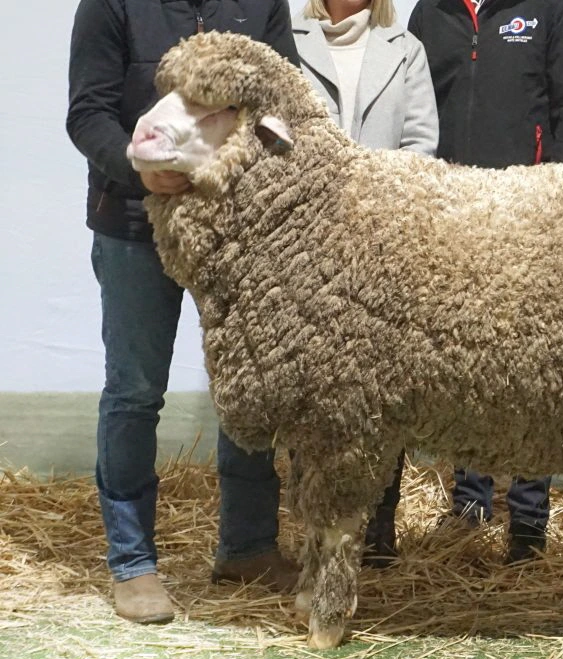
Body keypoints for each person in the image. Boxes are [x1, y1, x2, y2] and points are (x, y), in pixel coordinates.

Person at [67, 0, 301, 625]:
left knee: (245, 389)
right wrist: (136, 168)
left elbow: (284, 108)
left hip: (236, 230)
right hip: (134, 226)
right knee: (136, 390)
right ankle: (133, 561)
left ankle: (248, 546)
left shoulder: (259, 6)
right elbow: (86, 112)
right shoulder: (111, 5)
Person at [408, 0, 563, 563]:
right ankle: (469, 504)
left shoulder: (556, 9)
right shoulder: (431, 12)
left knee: (533, 371)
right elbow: (420, 106)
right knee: (465, 365)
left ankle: (528, 516)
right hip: (451, 220)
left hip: (531, 221)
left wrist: (557, 201)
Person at [292, 0, 438, 565]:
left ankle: (377, 528)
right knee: (316, 396)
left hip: (382, 250)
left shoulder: (404, 48)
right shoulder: (290, 39)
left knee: (381, 390)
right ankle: (317, 533)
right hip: (306, 247)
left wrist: (379, 209)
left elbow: (421, 142)